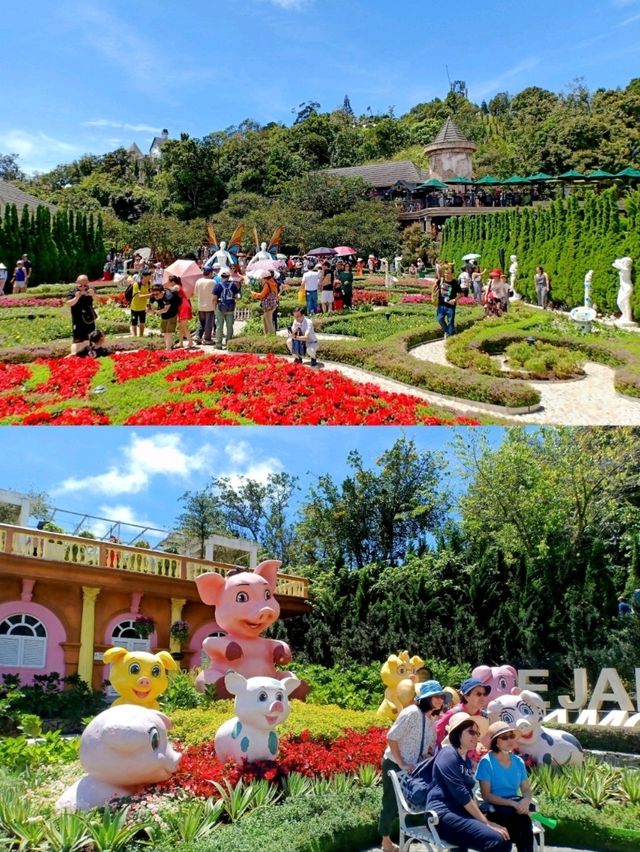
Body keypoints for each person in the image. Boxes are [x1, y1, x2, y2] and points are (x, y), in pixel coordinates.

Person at [425, 713, 511, 852]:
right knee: (497, 841)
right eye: (471, 731)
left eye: (477, 733)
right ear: (457, 732)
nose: (476, 736)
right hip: (441, 816)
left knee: (505, 836)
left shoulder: (464, 760)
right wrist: (486, 822)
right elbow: (461, 793)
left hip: (460, 814)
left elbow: (469, 794)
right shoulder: (448, 754)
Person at [379, 680, 447, 852]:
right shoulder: (411, 712)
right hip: (394, 764)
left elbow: (424, 748)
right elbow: (392, 737)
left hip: (412, 768)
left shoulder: (430, 720)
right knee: (391, 803)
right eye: (434, 697)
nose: (439, 700)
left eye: (440, 696)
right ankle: (385, 841)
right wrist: (401, 762)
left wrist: (429, 755)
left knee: (411, 802)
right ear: (425, 698)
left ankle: (414, 834)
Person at [477, 721, 535, 852]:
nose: (509, 740)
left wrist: (525, 801)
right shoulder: (486, 762)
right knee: (517, 829)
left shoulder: (518, 761)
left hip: (515, 809)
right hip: (496, 810)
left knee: (524, 824)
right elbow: (487, 795)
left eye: (511, 736)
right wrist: (512, 804)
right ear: (495, 742)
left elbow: (526, 790)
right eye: (504, 737)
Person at [435, 677, 491, 749]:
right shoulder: (453, 713)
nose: (483, 698)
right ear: (466, 696)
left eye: (485, 694)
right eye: (478, 694)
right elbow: (437, 733)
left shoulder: (484, 716)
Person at [66, 274, 97, 354]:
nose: (83, 288)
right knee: (77, 341)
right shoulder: (72, 292)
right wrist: (76, 297)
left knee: (90, 339)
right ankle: (74, 355)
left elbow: (99, 300)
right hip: (77, 320)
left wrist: (93, 295)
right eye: (80, 286)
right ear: (76, 283)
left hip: (89, 319)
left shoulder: (91, 290)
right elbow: (69, 303)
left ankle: (89, 354)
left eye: (85, 285)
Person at [148, 282, 180, 350]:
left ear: (162, 292)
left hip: (172, 313)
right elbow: (149, 305)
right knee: (165, 331)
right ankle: (170, 346)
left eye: (157, 294)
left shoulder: (168, 296)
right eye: (154, 294)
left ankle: (168, 349)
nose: (155, 296)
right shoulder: (153, 296)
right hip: (164, 314)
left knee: (168, 332)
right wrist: (149, 309)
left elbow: (165, 310)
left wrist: (155, 312)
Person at [213, 268, 240, 348]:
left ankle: (218, 344)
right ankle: (229, 342)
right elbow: (236, 296)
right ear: (229, 277)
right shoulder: (233, 285)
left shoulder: (218, 285)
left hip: (220, 307)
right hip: (230, 307)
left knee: (219, 326)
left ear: (221, 276)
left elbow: (214, 298)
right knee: (229, 326)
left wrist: (214, 307)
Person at [435, 267, 461, 338]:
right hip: (441, 305)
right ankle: (447, 331)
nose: (446, 275)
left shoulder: (455, 282)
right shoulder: (441, 280)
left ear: (452, 274)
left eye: (448, 273)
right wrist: (434, 295)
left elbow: (461, 293)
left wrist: (455, 300)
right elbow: (435, 287)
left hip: (450, 306)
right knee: (439, 319)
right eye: (445, 273)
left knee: (450, 322)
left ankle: (450, 336)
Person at [170, 275, 194, 349]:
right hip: (182, 306)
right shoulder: (179, 285)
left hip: (183, 306)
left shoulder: (176, 287)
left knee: (183, 326)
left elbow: (171, 295)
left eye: (170, 282)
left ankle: (190, 341)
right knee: (181, 327)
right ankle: (181, 343)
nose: (169, 283)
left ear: (173, 281)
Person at [250, 270, 278, 334]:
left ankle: (271, 337)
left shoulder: (267, 284)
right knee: (265, 319)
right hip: (273, 303)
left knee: (268, 321)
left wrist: (253, 294)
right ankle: (267, 335)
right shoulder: (273, 282)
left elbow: (262, 295)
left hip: (268, 305)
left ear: (264, 278)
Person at [194, 267, 216, 344]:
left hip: (200, 305)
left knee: (201, 322)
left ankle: (198, 336)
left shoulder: (198, 281)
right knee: (209, 323)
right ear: (210, 273)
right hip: (210, 305)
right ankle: (207, 339)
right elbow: (215, 294)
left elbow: (195, 293)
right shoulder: (213, 282)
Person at [130, 268, 152, 337]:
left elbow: (150, 294)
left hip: (143, 307)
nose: (149, 278)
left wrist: (149, 305)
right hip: (135, 307)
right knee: (134, 322)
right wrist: (149, 295)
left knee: (142, 322)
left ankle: (141, 335)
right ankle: (135, 335)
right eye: (148, 277)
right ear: (144, 276)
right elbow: (138, 296)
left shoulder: (149, 283)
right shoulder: (136, 285)